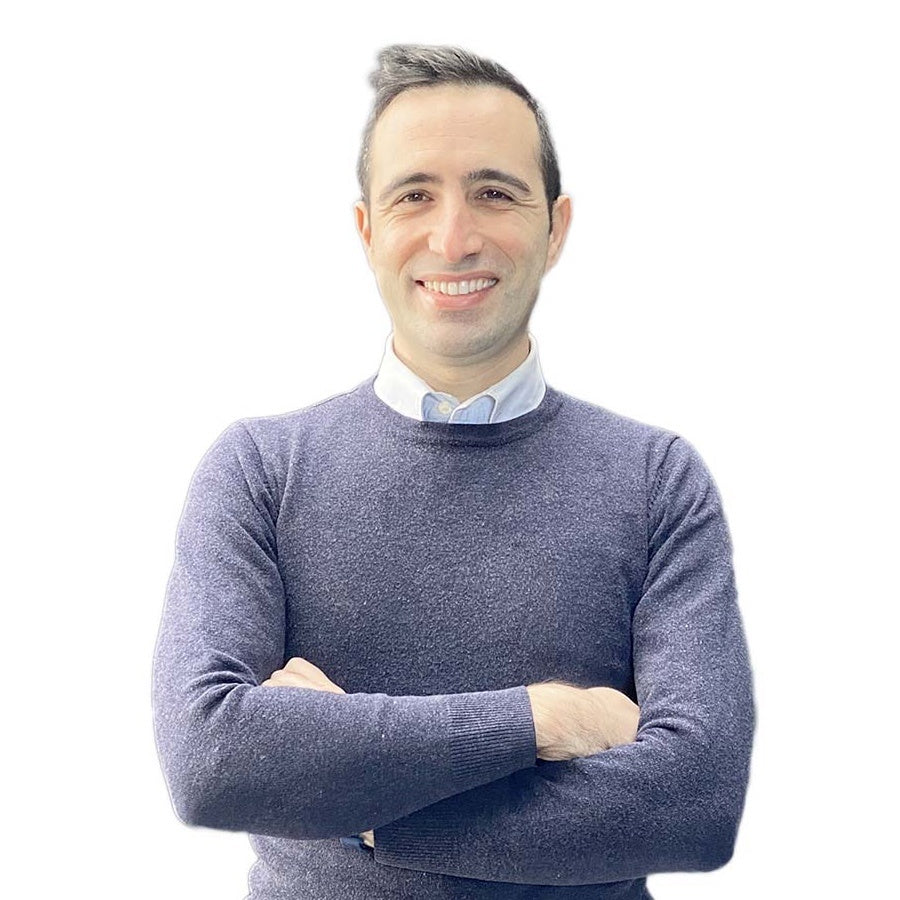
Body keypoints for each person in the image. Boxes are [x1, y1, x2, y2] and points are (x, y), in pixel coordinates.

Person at [152, 44, 754, 900]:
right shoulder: (259, 472)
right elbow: (212, 760)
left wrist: (366, 813)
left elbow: (694, 804)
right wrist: (544, 717)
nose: (454, 237)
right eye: (414, 195)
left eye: (494, 193)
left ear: (556, 227)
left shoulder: (658, 482)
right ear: (368, 231)